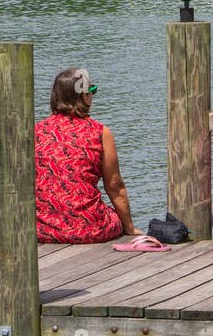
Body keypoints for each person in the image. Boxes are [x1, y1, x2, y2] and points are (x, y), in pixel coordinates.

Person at [35, 68, 138, 243]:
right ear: (83, 96)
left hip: (44, 229)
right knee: (113, 217)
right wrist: (129, 227)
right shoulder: (100, 132)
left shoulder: (36, 131)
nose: (92, 96)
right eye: (92, 90)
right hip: (90, 228)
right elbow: (114, 185)